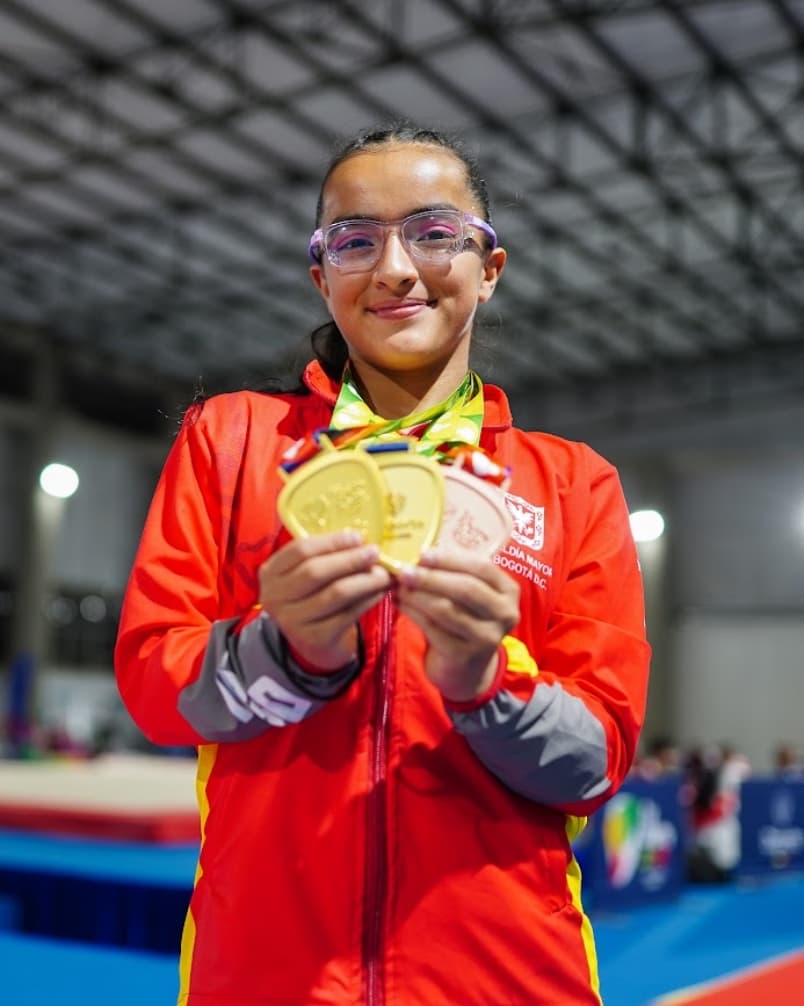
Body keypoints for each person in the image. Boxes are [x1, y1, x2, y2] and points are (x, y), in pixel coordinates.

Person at [115, 123, 651, 1006]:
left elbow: (598, 762)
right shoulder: (234, 440)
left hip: (505, 981)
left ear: (490, 268)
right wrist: (283, 652)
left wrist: (484, 680)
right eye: (356, 240)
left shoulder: (572, 484)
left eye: (435, 233)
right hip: (267, 977)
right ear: (322, 277)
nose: (396, 268)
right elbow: (151, 686)